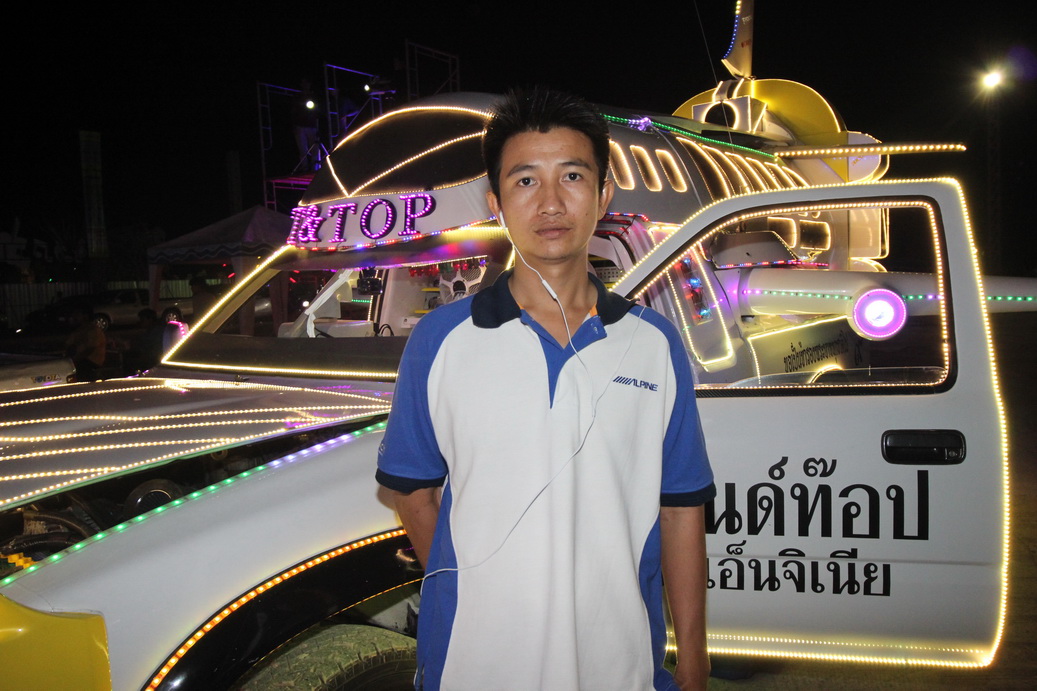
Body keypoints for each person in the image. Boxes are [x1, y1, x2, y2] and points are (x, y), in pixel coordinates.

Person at [376, 87, 715, 690]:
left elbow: (681, 508)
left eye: (573, 176)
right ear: (496, 202)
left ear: (604, 194)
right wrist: (471, 585)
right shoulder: (440, 340)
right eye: (526, 180)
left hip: (617, 665)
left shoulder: (654, 344)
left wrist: (693, 656)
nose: (551, 202)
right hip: (475, 665)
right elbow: (412, 490)